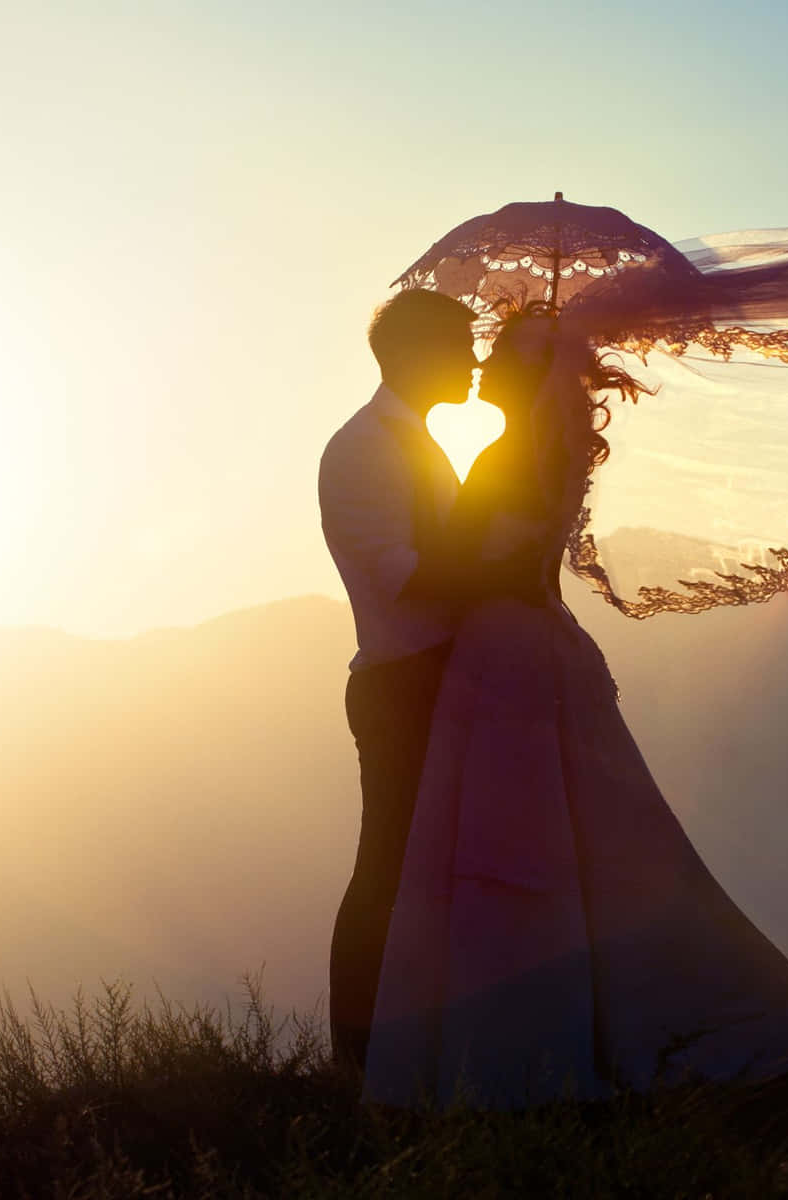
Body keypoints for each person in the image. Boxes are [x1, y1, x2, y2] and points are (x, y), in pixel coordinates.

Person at [360, 305, 788, 1107]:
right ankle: (559, 1023)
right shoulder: (551, 451)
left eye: (500, 354)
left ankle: (518, 1049)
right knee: (570, 849)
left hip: (505, 665)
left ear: (528, 373)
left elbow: (474, 570)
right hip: (534, 650)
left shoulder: (509, 455)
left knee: (512, 859)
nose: (485, 363)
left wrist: (432, 564)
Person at [317, 287, 481, 1074]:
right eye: (463, 345)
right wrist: (502, 566)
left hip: (433, 680)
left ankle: (413, 1042)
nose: (476, 360)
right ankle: (356, 1051)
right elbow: (398, 575)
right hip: (398, 684)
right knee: (385, 866)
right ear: (417, 353)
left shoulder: (412, 438)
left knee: (422, 869)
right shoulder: (362, 447)